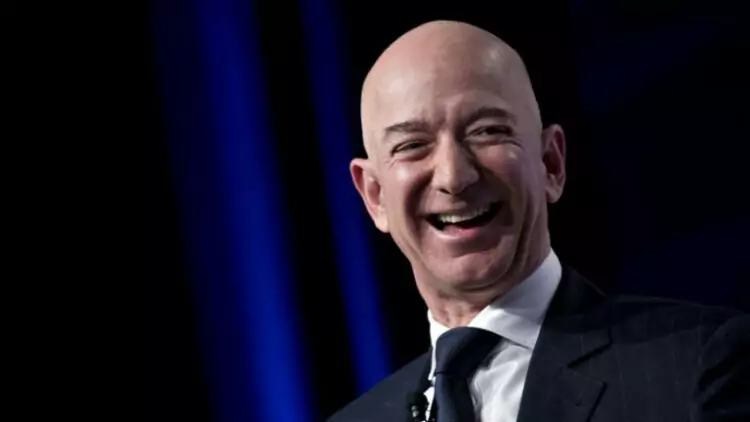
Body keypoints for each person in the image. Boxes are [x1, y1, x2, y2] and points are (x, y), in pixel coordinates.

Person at [328, 20, 749, 422]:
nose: (454, 177)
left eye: (487, 131)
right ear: (375, 195)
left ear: (550, 164)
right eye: (412, 145)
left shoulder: (699, 366)